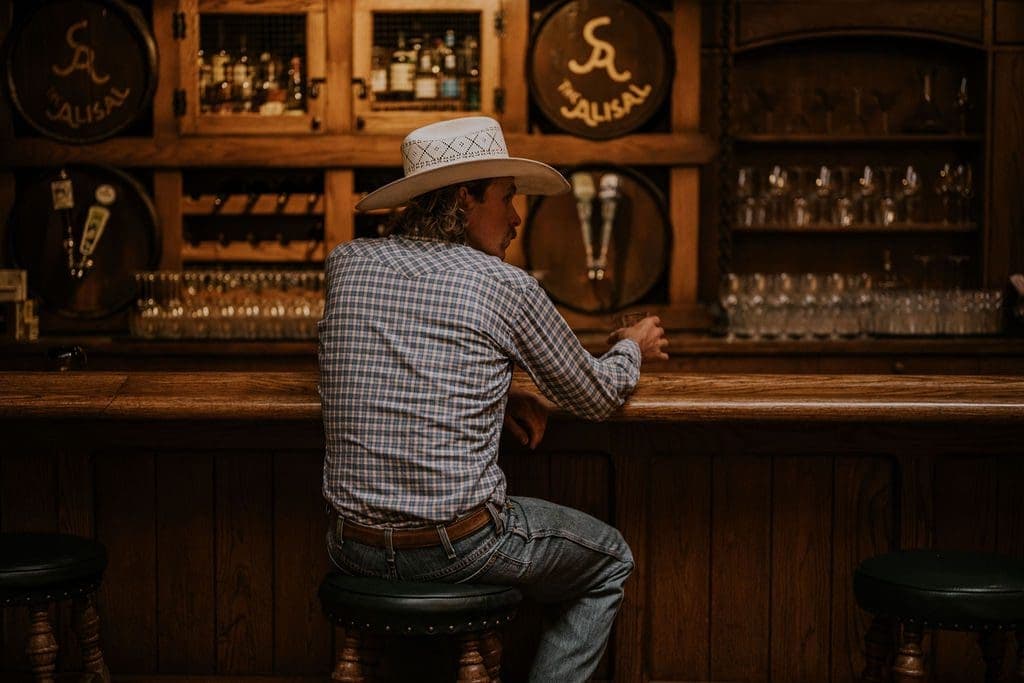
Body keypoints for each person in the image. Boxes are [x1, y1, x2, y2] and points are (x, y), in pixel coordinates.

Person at [319, 116, 669, 682]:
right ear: (463, 197)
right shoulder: (503, 285)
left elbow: (398, 349)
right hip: (455, 547)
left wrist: (495, 387)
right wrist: (630, 347)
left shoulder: (347, 264)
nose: (515, 217)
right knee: (611, 561)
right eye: (506, 198)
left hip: (348, 546)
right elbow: (597, 395)